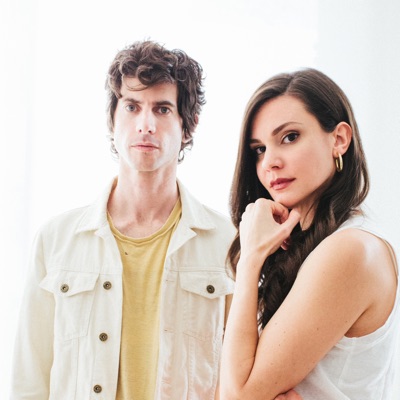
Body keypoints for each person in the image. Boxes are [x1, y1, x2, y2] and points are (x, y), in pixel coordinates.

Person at [10, 40, 303, 400]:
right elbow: (29, 379)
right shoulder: (56, 239)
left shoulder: (228, 242)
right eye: (132, 107)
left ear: (188, 125)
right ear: (113, 119)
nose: (145, 124)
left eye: (162, 109)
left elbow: (242, 374)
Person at [219, 68, 399, 399]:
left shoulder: (351, 249)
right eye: (259, 149)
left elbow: (236, 395)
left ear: (339, 139)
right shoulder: (313, 246)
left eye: (289, 137)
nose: (270, 162)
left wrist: (250, 260)